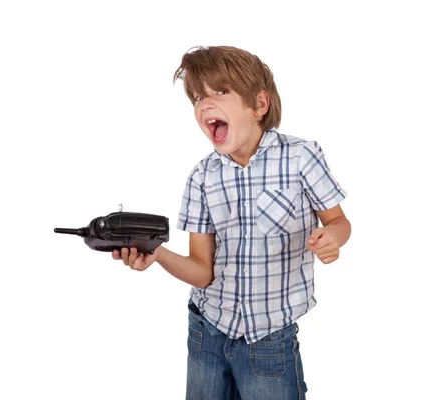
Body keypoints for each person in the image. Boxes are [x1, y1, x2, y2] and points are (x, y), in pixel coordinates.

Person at [112, 45, 351, 400]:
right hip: (206, 334)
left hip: (269, 343)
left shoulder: (301, 157)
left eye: (220, 92)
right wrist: (158, 255)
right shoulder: (202, 178)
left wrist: (332, 236)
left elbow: (340, 221)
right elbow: (202, 270)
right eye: (197, 97)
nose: (205, 104)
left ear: (259, 104)